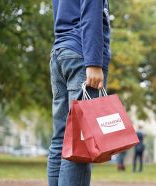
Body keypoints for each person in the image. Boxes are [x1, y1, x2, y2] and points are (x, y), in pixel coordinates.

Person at [47, 0, 111, 185]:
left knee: (61, 137)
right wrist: (93, 62)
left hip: (61, 53)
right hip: (82, 54)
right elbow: (92, 11)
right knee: (80, 142)